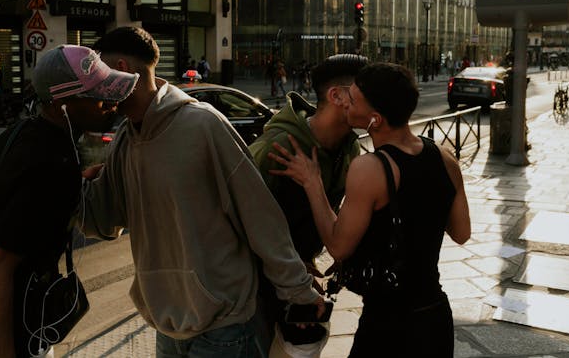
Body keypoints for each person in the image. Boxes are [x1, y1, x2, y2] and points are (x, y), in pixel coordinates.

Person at [81, 26, 324, 357]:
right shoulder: (126, 139)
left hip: (225, 328)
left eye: (98, 76)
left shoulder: (202, 125)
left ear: (121, 69)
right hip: (167, 326)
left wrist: (298, 291)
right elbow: (104, 221)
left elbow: (261, 218)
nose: (95, 88)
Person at [0, 45, 139, 358]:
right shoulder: (53, 163)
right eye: (99, 95)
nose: (112, 103)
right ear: (64, 104)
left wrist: (78, 182)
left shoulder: (22, 132)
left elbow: (15, 200)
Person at [268, 62, 471, 358]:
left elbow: (338, 246)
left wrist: (313, 183)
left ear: (374, 120)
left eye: (355, 97)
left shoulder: (371, 168)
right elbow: (462, 232)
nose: (347, 99)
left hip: (390, 324)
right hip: (434, 318)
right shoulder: (443, 157)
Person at [249, 53, 368, 356]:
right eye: (368, 89)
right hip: (254, 292)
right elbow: (238, 226)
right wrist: (294, 271)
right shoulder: (278, 148)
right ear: (338, 96)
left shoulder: (350, 146)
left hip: (299, 283)